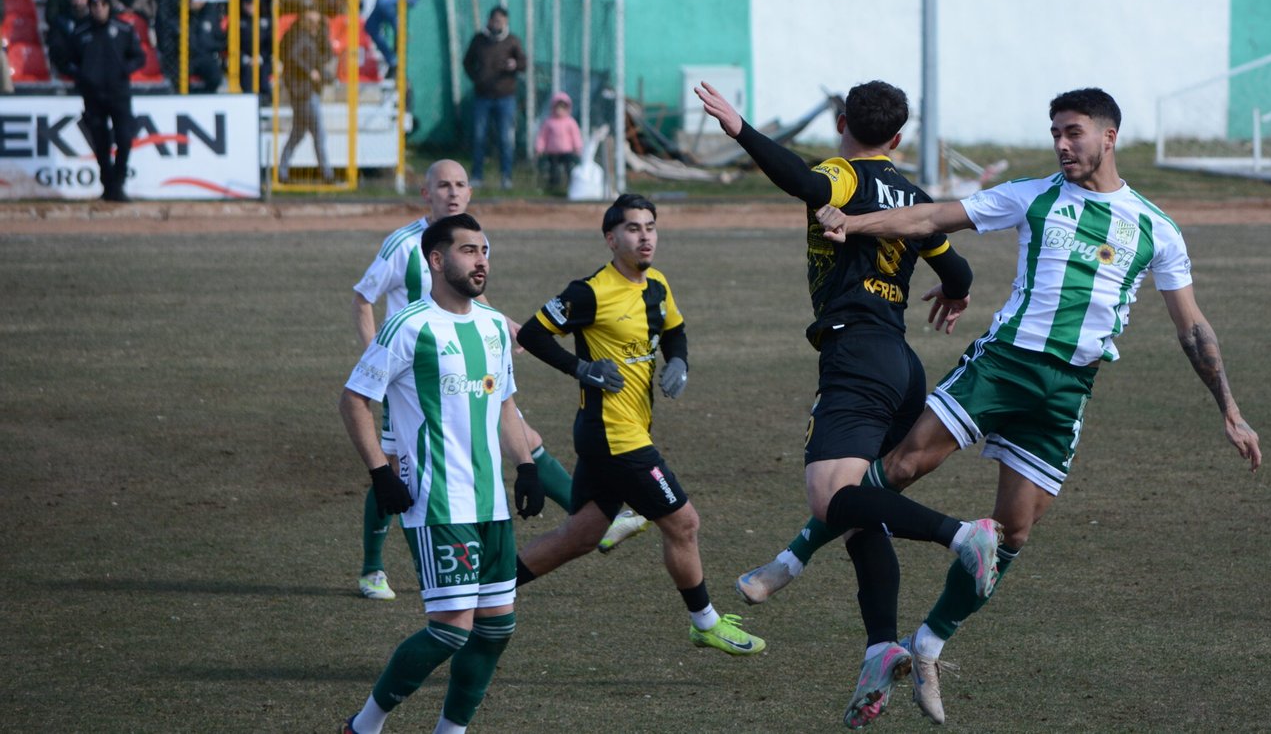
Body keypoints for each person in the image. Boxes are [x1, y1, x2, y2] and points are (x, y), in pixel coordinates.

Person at [794, 87, 1265, 725]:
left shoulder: (1156, 229)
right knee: (902, 466)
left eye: (1073, 132)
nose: (1063, 145)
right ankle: (794, 555)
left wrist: (1229, 409)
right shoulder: (1032, 195)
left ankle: (925, 646)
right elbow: (932, 218)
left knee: (1013, 532)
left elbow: (1193, 328)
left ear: (1109, 135)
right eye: (1055, 134)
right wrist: (853, 222)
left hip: (1068, 391)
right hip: (1004, 365)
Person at [693, 79, 996, 728]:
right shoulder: (914, 196)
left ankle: (964, 536)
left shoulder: (841, 173)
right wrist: (954, 292)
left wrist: (740, 129)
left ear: (840, 122)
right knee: (860, 512)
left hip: (856, 355)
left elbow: (807, 184)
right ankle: (881, 645)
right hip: (898, 362)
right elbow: (960, 272)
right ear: (897, 137)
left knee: (833, 498)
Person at [349, 161, 647, 601]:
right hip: (415, 377)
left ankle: (590, 520)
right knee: (395, 469)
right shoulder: (402, 245)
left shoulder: (476, 240)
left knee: (522, 434)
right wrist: (378, 365)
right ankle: (373, 569)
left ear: (470, 192)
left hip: (469, 362)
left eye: (460, 185)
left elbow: (471, 292)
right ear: (425, 192)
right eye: (442, 186)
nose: (452, 193)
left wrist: (506, 325)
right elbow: (362, 297)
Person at [512, 194, 767, 658]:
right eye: (633, 228)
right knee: (684, 523)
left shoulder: (657, 285)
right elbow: (531, 332)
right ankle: (704, 622)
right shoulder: (589, 291)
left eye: (651, 226)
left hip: (622, 432)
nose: (644, 235)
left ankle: (491, 590)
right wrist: (580, 369)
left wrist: (680, 362)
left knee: (581, 535)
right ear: (611, 239)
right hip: (613, 435)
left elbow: (674, 330)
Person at [338, 213, 537, 734]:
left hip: (491, 502)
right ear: (436, 259)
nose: (481, 261)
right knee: (451, 631)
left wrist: (528, 465)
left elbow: (506, 404)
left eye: (485, 250)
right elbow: (355, 400)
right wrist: (381, 473)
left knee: (497, 629)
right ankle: (364, 725)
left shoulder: (493, 325)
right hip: (439, 500)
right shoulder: (409, 326)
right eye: (469, 250)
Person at [65, 0, 144, 202]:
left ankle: (118, 183)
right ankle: (108, 185)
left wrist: (124, 69)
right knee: (101, 143)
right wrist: (82, 76)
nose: (99, 8)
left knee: (124, 139)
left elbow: (139, 57)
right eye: (94, 4)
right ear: (89, 8)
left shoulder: (123, 29)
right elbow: (68, 60)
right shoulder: (80, 32)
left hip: (119, 93)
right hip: (93, 95)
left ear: (109, 6)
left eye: (102, 4)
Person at [464, 6, 526, 190]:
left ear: (506, 22)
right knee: (479, 137)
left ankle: (506, 177)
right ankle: (477, 176)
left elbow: (523, 63)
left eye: (502, 21)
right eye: (495, 20)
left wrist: (514, 64)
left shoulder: (512, 41)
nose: (498, 24)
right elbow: (467, 62)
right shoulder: (479, 39)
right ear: (489, 20)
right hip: (482, 97)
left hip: (506, 98)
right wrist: (477, 78)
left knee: (506, 138)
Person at [275, 8, 335, 184]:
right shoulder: (297, 35)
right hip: (303, 92)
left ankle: (282, 171)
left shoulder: (312, 36)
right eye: (313, 21)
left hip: (307, 91)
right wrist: (310, 72)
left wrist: (322, 30)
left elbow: (326, 55)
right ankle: (327, 174)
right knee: (319, 133)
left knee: (298, 133)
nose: (316, 24)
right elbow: (292, 57)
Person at [534, 92, 583, 195]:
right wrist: (539, 148)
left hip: (567, 151)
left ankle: (571, 187)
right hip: (553, 151)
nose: (559, 110)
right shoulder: (549, 122)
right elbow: (542, 136)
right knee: (553, 170)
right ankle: (554, 188)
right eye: (557, 107)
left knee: (569, 169)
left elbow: (576, 136)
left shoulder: (570, 122)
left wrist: (577, 147)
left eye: (562, 108)